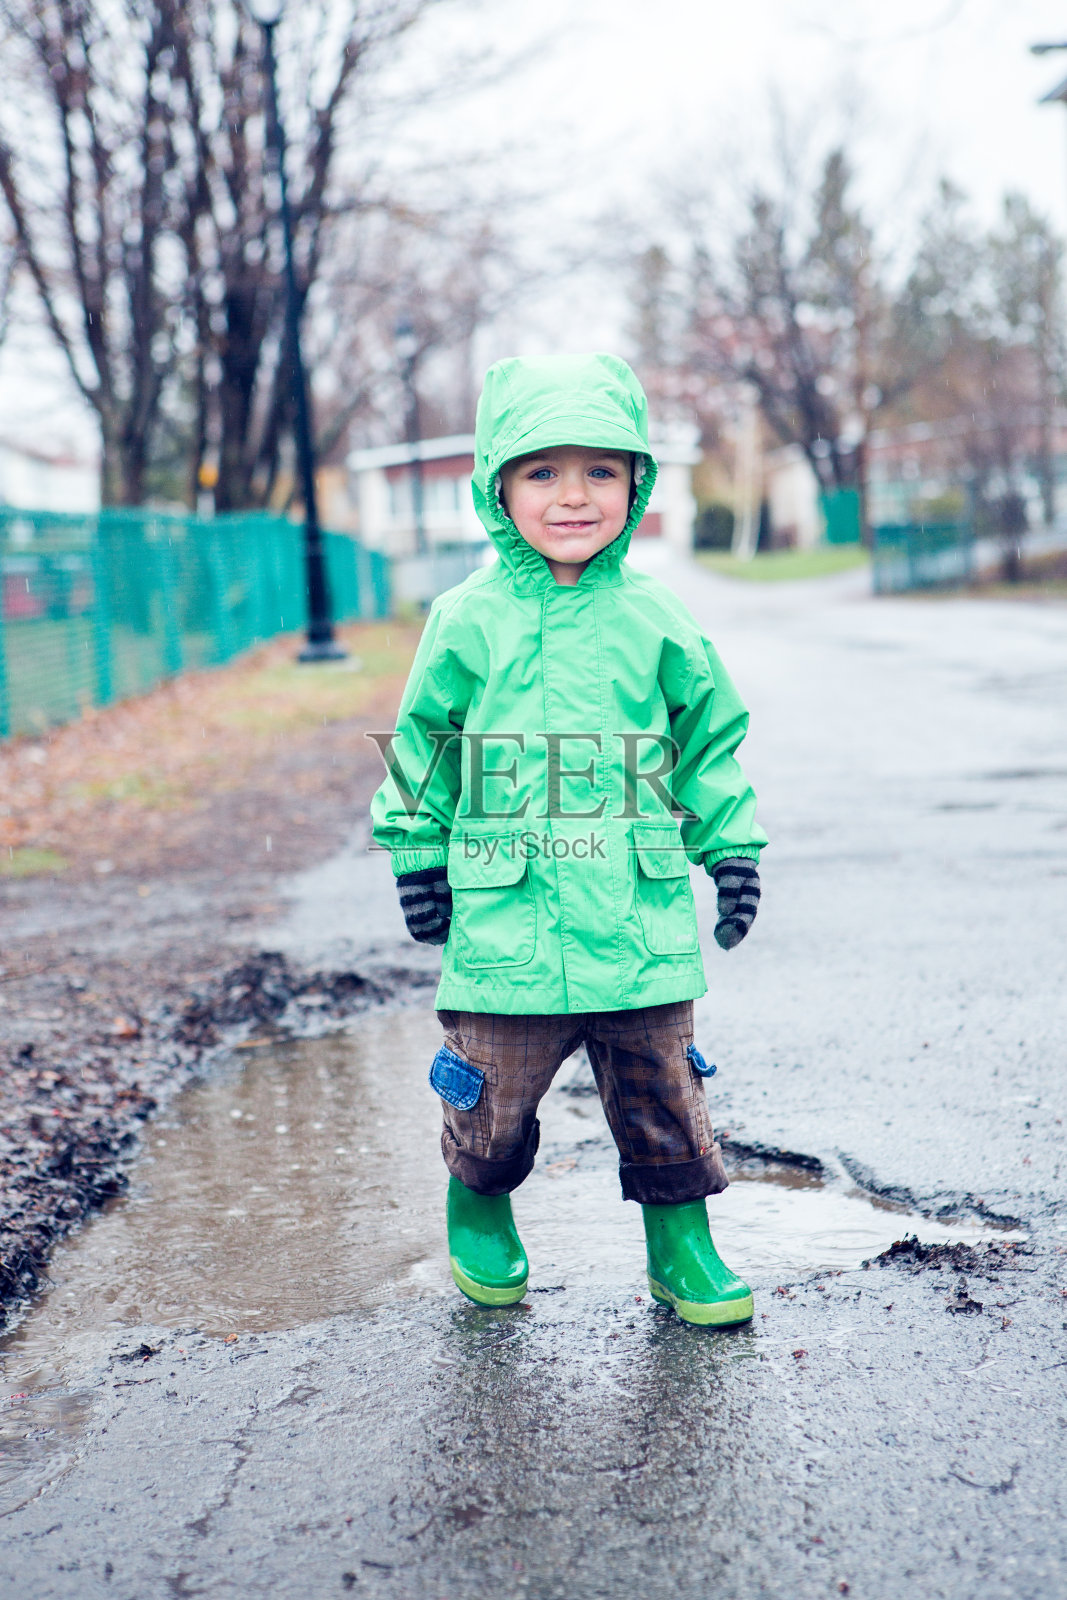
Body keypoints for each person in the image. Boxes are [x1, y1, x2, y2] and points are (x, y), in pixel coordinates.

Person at [370, 353, 766, 1326]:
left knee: (663, 1092)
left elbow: (706, 742)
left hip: (635, 916)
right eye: (541, 472)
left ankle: (680, 1244)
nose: (572, 495)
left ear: (636, 486)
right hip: (509, 921)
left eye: (599, 470)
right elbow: (424, 742)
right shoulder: (467, 620)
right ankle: (480, 1206)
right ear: (497, 489)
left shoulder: (655, 618)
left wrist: (730, 848)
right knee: (492, 1102)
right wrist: (417, 852)